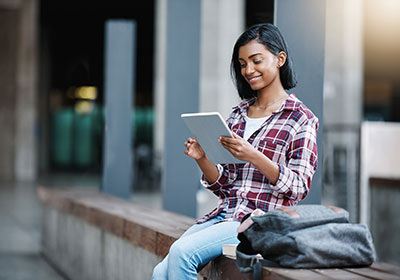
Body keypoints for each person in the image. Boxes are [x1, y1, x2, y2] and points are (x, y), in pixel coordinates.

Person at [151, 23, 318, 280]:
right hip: (226, 215)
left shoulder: (300, 119)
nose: (248, 70)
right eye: (242, 64)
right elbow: (226, 185)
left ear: (280, 59)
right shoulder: (238, 115)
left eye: (256, 60)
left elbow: (298, 187)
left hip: (260, 222)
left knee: (183, 253)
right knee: (160, 271)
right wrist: (203, 159)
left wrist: (252, 154)